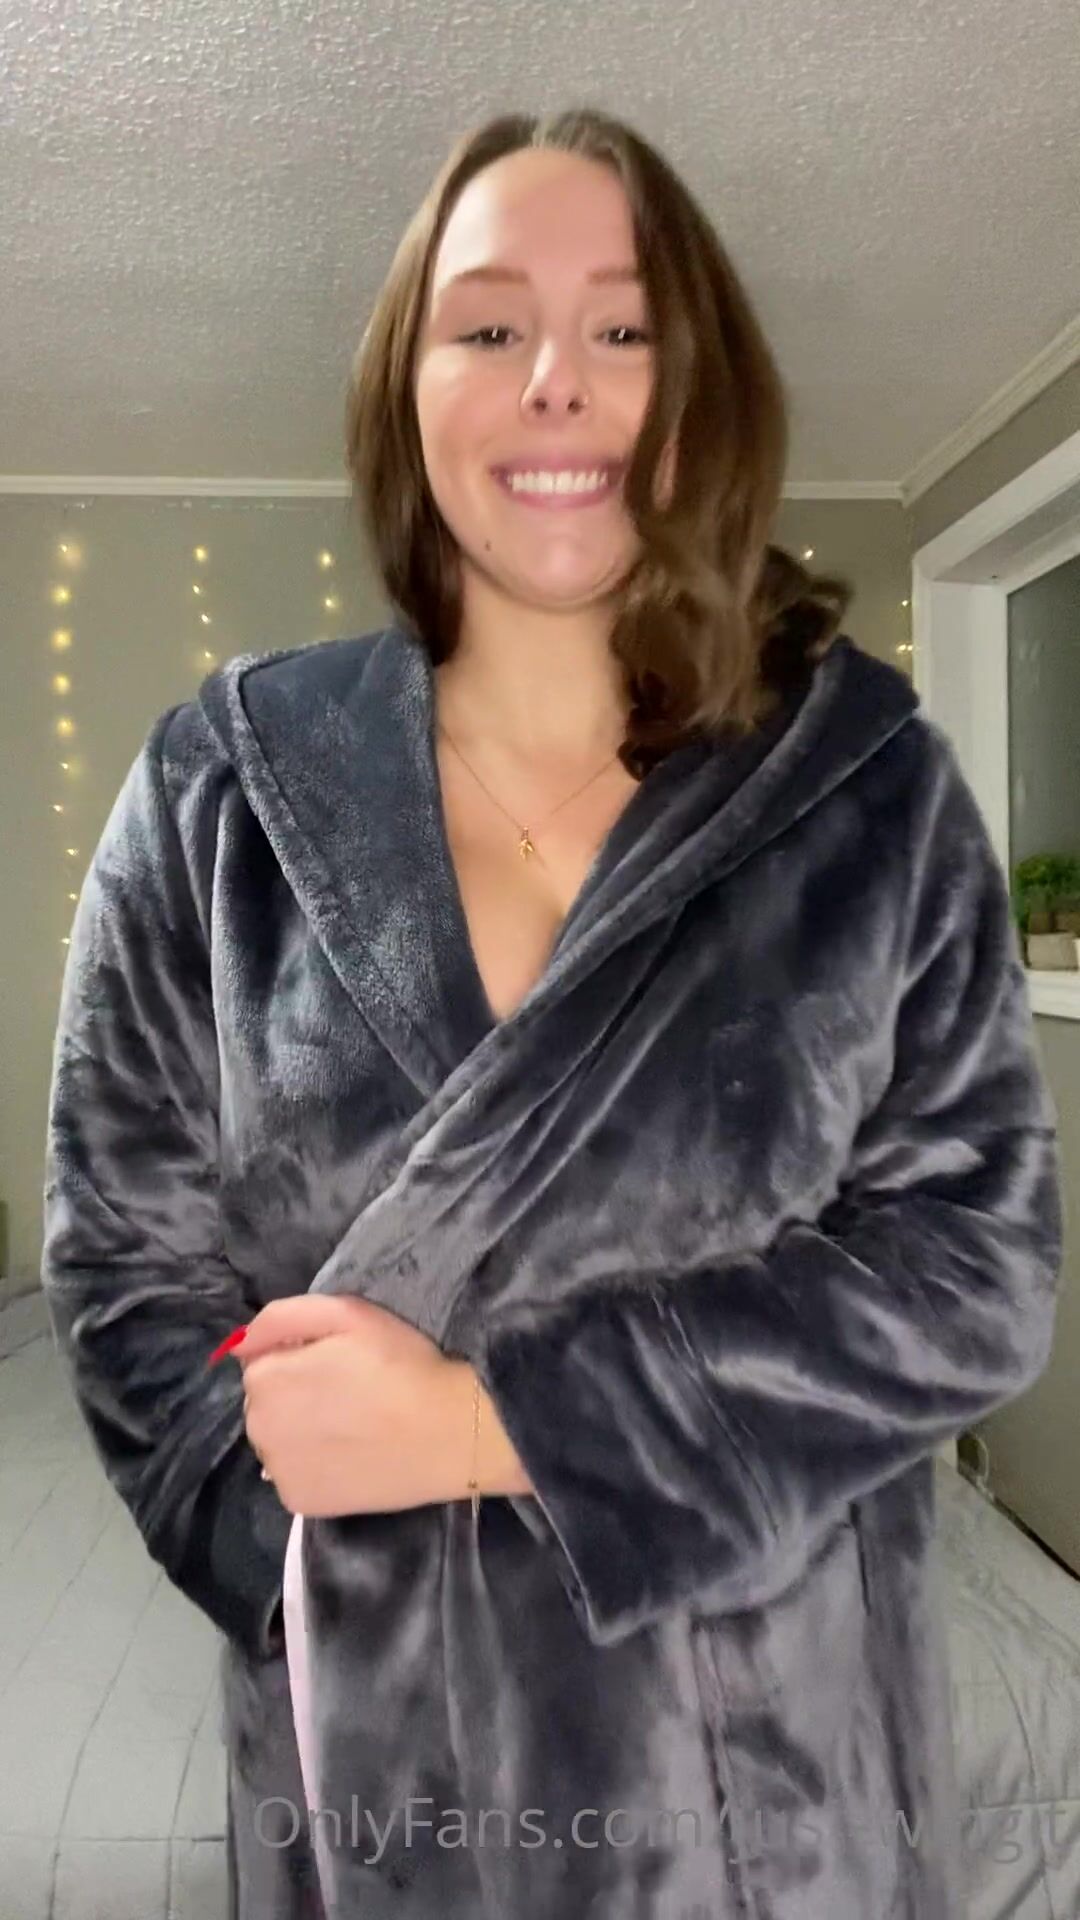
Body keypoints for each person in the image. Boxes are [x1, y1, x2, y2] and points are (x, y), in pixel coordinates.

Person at [41, 104, 1062, 1920]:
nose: (556, 381)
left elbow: (976, 1267)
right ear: (407, 385)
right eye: (490, 323)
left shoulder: (864, 786)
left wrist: (488, 1429)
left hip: (783, 1787)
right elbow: (122, 1262)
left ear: (697, 390)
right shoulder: (222, 790)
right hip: (382, 1783)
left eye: (624, 326)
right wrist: (285, 1553)